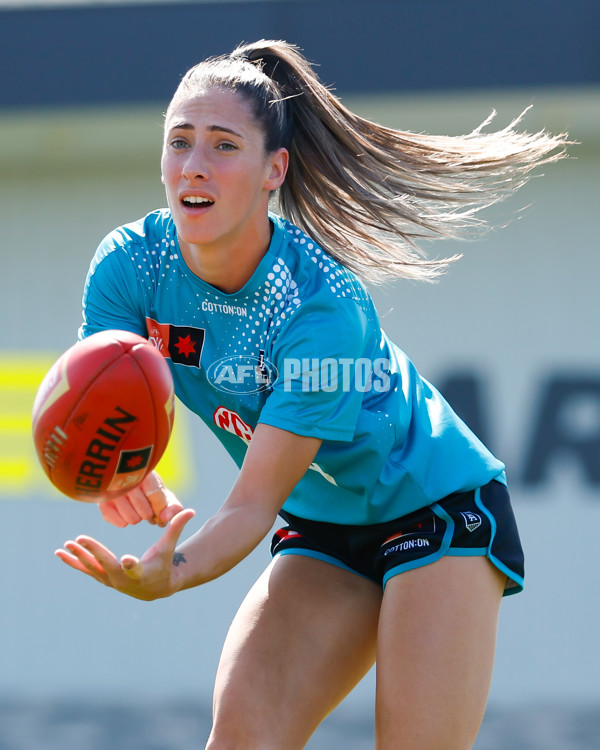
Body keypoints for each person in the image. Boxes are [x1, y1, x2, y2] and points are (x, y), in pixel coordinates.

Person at [55, 40, 568, 750]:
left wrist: (170, 573)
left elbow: (250, 503)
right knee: (240, 740)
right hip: (324, 523)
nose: (194, 165)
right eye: (179, 141)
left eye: (223, 144)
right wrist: (124, 476)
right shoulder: (129, 266)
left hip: (437, 508)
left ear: (275, 170)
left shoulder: (319, 309)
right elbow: (109, 399)